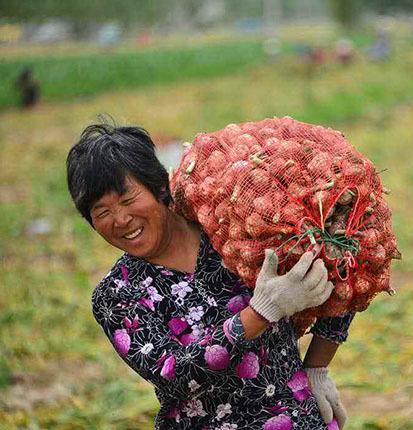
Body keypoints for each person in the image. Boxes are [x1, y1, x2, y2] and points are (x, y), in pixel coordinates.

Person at [66, 122, 355, 429]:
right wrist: (261, 313)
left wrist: (317, 366)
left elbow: (343, 268)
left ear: (159, 187)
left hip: (302, 420)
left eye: (127, 200)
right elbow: (175, 375)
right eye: (102, 212)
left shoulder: (229, 226)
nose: (121, 219)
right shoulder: (117, 295)